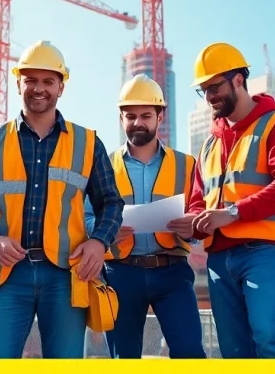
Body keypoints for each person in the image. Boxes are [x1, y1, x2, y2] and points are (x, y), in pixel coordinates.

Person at [0, 40, 125, 359]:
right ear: (18, 83)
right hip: (6, 275)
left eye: (48, 81)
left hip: (64, 274)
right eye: (31, 80)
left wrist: (99, 242)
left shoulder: (87, 142)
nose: (39, 88)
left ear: (61, 87)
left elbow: (111, 203)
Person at [175, 42, 275, 359]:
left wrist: (232, 213)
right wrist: (193, 223)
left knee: (267, 336)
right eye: (203, 90)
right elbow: (198, 200)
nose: (209, 97)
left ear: (238, 80)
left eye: (214, 87)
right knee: (233, 350)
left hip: (265, 250)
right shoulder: (208, 144)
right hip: (219, 258)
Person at [85, 74, 206, 359]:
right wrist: (105, 230)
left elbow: (200, 217)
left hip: (172, 271)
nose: (137, 122)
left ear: (160, 116)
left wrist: (192, 227)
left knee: (190, 352)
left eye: (146, 115)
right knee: (124, 358)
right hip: (120, 273)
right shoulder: (103, 165)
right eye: (130, 115)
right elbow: (85, 217)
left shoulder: (187, 164)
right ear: (120, 118)